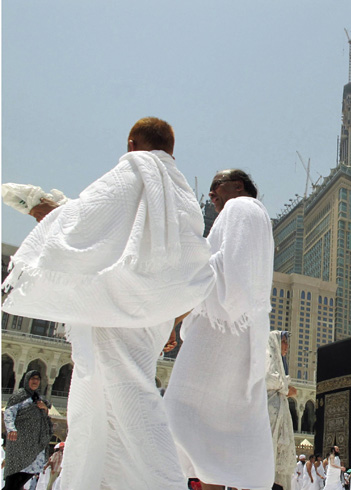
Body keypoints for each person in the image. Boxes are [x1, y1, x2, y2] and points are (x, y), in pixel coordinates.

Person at [1, 117, 214, 489]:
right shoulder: (183, 198)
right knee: (98, 408)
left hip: (115, 309)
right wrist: (174, 319)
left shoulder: (134, 169)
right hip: (152, 314)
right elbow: (194, 267)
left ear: (132, 144)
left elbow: (87, 219)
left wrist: (47, 211)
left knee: (131, 397)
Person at [164, 168, 276, 490]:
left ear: (237, 186)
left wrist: (175, 311)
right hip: (237, 333)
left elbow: (227, 271)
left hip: (221, 332)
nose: (211, 194)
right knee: (222, 434)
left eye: (216, 186)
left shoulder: (242, 208)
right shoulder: (254, 216)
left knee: (179, 412)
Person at [2, 372, 53, 490]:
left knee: (20, 481)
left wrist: (44, 408)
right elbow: (9, 413)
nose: (35, 381)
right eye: (32, 379)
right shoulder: (19, 395)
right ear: (26, 380)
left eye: (38, 379)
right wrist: (11, 429)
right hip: (19, 444)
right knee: (13, 481)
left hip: (34, 446)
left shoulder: (38, 398)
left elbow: (44, 419)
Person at [267, 330, 298, 490]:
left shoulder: (279, 365)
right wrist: (285, 387)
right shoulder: (266, 358)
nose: (286, 345)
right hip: (268, 418)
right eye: (283, 341)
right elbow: (265, 379)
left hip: (279, 420)